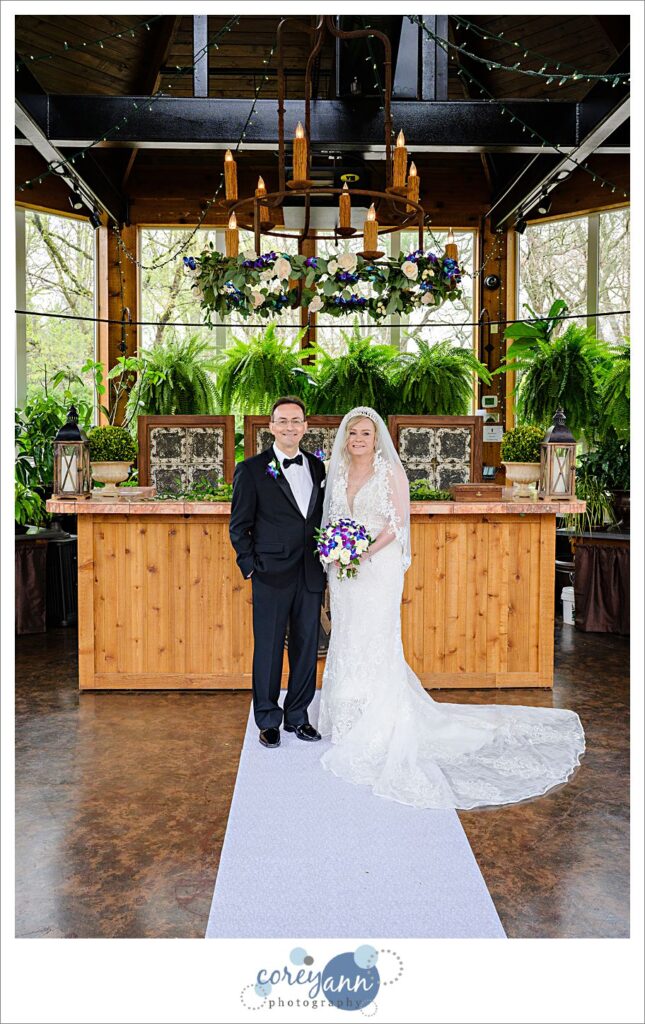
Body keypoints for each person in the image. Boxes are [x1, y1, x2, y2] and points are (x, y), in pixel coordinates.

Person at [317, 406, 586, 809]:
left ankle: (379, 717)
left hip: (377, 565)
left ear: (376, 439)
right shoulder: (337, 472)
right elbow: (333, 518)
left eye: (365, 433)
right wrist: (336, 552)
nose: (358, 439)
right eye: (352, 432)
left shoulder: (390, 472)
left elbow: (397, 524)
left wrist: (364, 552)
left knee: (375, 636)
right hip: (345, 571)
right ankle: (347, 713)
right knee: (349, 636)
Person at [229, 396, 326, 748]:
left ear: (305, 426)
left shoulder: (317, 467)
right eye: (282, 421)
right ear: (271, 427)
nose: (289, 427)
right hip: (270, 573)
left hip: (310, 571)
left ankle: (298, 716)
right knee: (269, 648)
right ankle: (268, 718)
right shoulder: (251, 469)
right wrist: (251, 568)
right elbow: (238, 526)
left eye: (296, 420)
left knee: (307, 646)